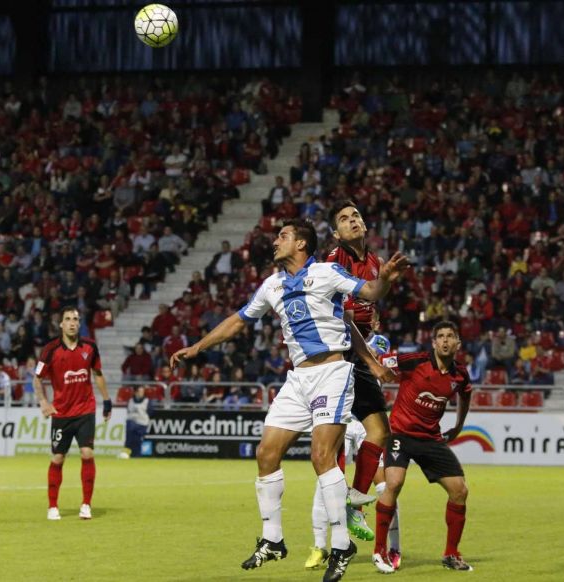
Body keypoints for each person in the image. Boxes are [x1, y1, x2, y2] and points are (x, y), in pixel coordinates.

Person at [170, 219, 408, 582]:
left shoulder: (328, 273)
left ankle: (342, 545)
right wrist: (198, 347)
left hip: (331, 371)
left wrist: (387, 277)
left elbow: (371, 293)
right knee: (266, 453)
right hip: (298, 379)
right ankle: (273, 539)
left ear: (301, 244)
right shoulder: (273, 284)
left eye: (283, 236)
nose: (275, 241)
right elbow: (237, 321)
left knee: (321, 456)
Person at [372, 321, 474, 573]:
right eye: (440, 336)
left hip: (430, 438)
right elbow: (382, 362)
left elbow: (466, 395)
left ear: (458, 343)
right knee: (393, 483)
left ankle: (451, 553)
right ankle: (379, 551)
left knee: (459, 490)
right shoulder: (415, 361)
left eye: (451, 336)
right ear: (434, 342)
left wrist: (459, 425)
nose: (445, 340)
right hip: (401, 434)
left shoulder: (459, 374)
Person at [325, 200, 399, 541]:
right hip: (335, 356)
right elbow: (340, 317)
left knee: (380, 432)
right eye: (344, 219)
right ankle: (333, 518)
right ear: (335, 232)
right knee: (333, 437)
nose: (352, 221)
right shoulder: (332, 261)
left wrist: (373, 314)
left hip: (359, 351)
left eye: (355, 215)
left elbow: (369, 299)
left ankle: (353, 503)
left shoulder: (374, 262)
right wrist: (371, 360)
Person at [307, 324, 400, 570]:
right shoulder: (338, 337)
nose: (363, 315)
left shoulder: (379, 341)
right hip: (344, 418)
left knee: (385, 486)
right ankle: (319, 547)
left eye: (368, 313)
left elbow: (373, 355)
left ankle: (391, 547)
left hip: (366, 418)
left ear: (376, 321)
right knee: (327, 481)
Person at [34, 307, 112, 521]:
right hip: (61, 413)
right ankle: (52, 506)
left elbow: (98, 374)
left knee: (87, 453)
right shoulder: (50, 350)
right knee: (58, 458)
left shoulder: (90, 347)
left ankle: (86, 504)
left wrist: (106, 400)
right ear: (61, 324)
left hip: (85, 410)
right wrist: (43, 401)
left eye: (75, 319)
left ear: (79, 324)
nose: (72, 323)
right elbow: (37, 378)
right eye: (67, 319)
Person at [120, 386, 152, 458]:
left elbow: (150, 412)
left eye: (142, 392)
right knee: (130, 435)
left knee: (137, 439)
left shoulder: (147, 401)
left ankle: (136, 455)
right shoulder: (131, 400)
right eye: (140, 391)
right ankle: (127, 453)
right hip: (132, 422)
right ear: (135, 392)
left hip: (142, 423)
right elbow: (128, 411)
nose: (141, 393)